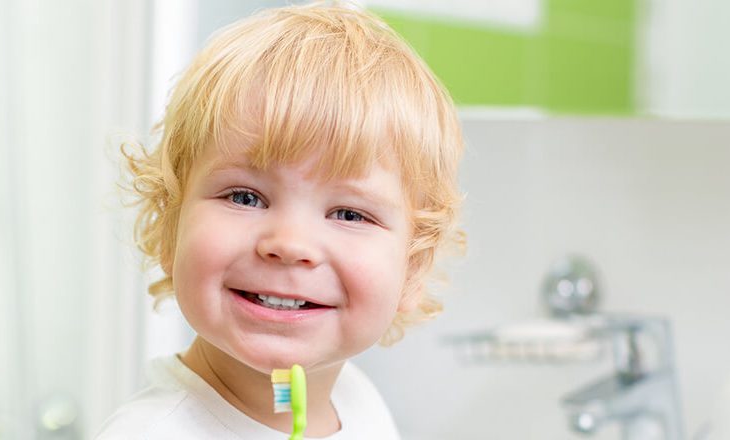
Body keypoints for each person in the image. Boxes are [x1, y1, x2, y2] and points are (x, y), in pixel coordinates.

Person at [98, 2, 464, 438]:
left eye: (349, 213)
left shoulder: (357, 400)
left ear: (414, 268)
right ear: (168, 227)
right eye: (245, 197)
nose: (289, 243)